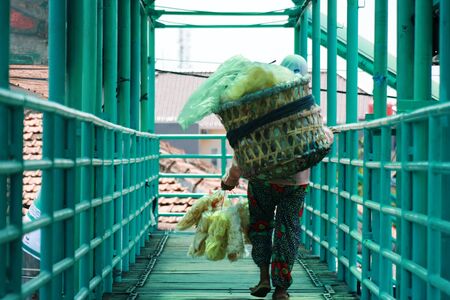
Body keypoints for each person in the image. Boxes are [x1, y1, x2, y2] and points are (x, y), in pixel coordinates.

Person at [221, 55, 333, 300]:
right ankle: (281, 289)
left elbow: (245, 151)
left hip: (262, 179)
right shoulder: (306, 107)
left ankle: (263, 278)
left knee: (260, 225)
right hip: (296, 183)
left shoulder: (263, 107)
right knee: (288, 230)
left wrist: (230, 179)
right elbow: (322, 138)